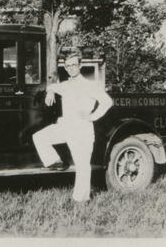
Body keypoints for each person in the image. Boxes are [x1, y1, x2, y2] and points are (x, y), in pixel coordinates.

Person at [33, 52, 112, 202]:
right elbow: (54, 86)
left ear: (80, 65)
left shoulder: (90, 85)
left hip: (82, 129)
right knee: (39, 137)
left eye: (74, 65)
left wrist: (92, 116)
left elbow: (107, 102)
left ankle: (81, 199)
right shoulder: (66, 85)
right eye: (67, 66)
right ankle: (56, 162)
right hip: (66, 126)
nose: (71, 68)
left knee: (82, 165)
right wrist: (50, 91)